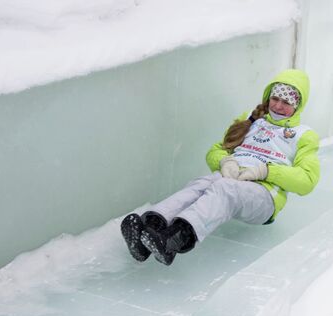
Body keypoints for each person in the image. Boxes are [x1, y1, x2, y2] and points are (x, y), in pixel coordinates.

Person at [121, 69, 320, 265]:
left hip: (264, 195)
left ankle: (174, 240)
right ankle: (150, 229)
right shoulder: (251, 119)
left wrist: (266, 171)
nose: (278, 106)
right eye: (275, 99)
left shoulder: (303, 135)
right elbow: (216, 150)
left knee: (225, 189)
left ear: (298, 106)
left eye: (286, 102)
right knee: (203, 183)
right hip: (232, 177)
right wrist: (226, 162)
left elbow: (307, 180)